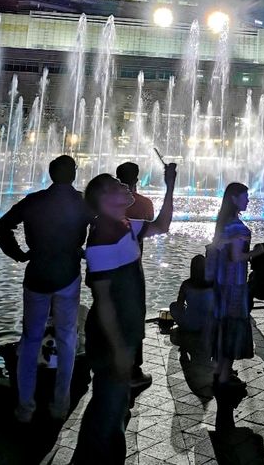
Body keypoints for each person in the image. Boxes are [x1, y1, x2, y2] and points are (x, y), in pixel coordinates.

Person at [72, 163, 176, 465]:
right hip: (109, 337)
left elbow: (163, 226)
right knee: (110, 404)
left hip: (124, 332)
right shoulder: (103, 237)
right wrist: (118, 347)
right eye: (119, 185)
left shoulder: (126, 224)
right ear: (105, 197)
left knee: (110, 402)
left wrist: (170, 186)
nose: (126, 187)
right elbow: (102, 301)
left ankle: (94, 454)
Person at [0, 155, 90, 423]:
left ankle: (25, 407)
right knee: (67, 339)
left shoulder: (34, 200)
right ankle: (60, 404)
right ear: (72, 173)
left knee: (30, 339)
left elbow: (1, 226)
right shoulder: (83, 202)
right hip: (68, 274)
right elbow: (101, 228)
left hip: (36, 273)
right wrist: (86, 253)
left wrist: (19, 254)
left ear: (51, 174)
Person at [211, 182, 263, 392]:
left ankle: (219, 369)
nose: (248, 200)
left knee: (223, 325)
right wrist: (256, 252)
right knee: (233, 327)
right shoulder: (237, 227)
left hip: (221, 282)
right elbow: (236, 256)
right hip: (235, 284)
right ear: (234, 198)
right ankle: (224, 377)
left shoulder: (223, 223)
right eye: (245, 196)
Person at [115, 160, 155, 387]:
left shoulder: (105, 202)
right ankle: (133, 369)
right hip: (132, 267)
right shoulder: (143, 204)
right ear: (137, 179)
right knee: (134, 315)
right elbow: (151, 224)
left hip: (108, 267)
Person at [170, 254, 215, 334]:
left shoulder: (186, 284)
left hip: (190, 325)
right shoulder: (212, 283)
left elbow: (179, 305)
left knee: (173, 306)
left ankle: (184, 326)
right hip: (208, 325)